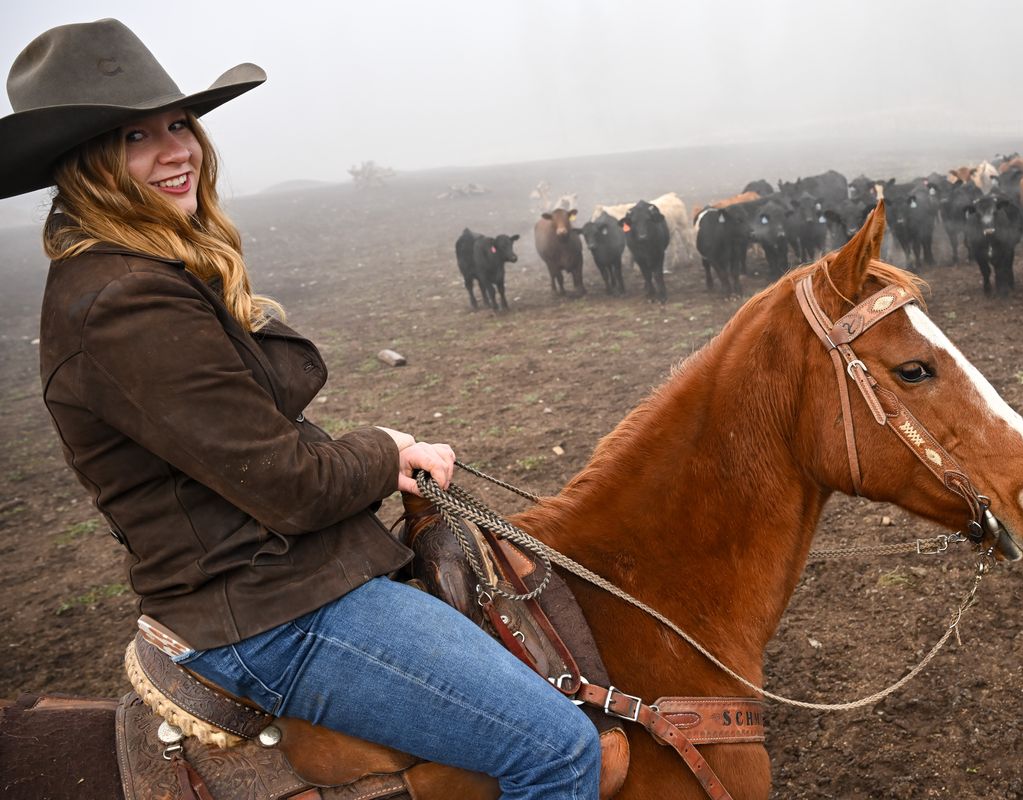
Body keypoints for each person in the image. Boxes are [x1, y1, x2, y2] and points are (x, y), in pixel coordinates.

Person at [0, 18, 600, 799]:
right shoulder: (123, 300)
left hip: (283, 576)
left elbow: (251, 425)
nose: (176, 149)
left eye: (178, 124)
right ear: (83, 165)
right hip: (269, 609)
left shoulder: (148, 268)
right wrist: (384, 450)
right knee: (557, 749)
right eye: (133, 137)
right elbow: (287, 483)